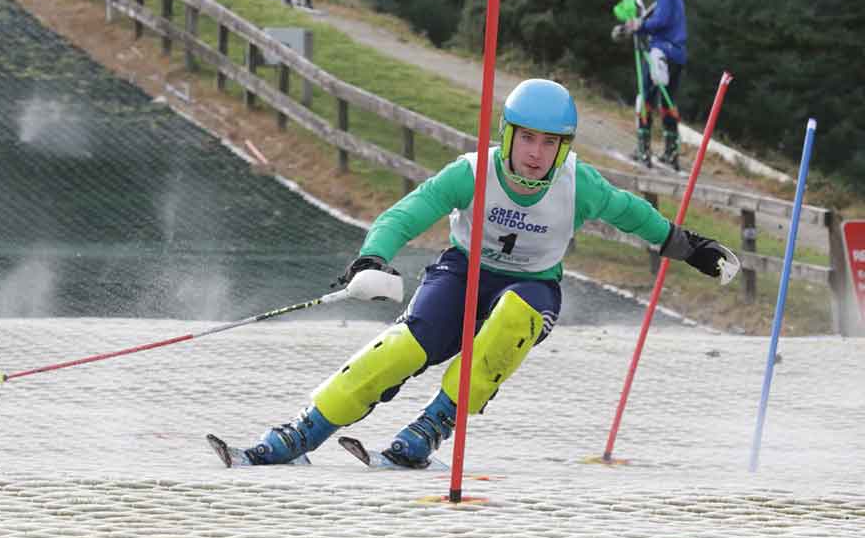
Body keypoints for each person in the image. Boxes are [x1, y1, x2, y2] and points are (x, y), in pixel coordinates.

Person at [209, 79, 733, 470]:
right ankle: (304, 431)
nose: (536, 154)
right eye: (527, 139)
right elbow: (410, 212)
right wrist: (374, 257)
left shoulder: (580, 184)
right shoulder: (474, 171)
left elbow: (633, 213)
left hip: (532, 286)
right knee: (400, 350)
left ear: (564, 148)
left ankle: (433, 424)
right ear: (508, 135)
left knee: (512, 318)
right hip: (463, 272)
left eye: (550, 144)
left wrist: (691, 249)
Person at [626, 0, 687, 170]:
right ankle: (671, 154)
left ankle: (643, 151)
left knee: (645, 99)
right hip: (677, 55)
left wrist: (640, 25)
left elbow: (660, 22)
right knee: (668, 103)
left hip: (661, 53)